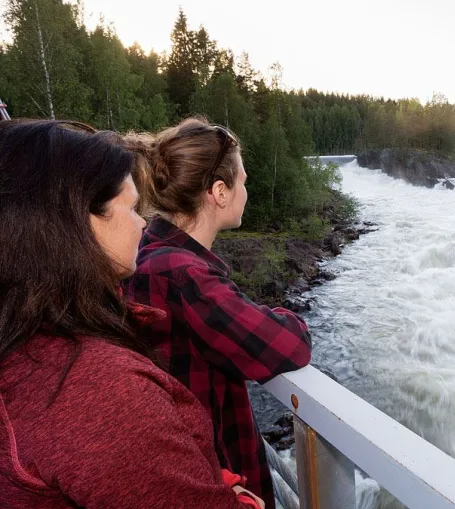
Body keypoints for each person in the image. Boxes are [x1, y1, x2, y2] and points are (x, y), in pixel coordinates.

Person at [0, 119, 264, 509]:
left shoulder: (26, 348)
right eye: (130, 207)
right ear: (80, 225)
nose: (143, 222)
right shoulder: (99, 392)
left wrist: (187, 476)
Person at [125, 117, 312, 509]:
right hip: (216, 479)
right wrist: (279, 314)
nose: (247, 189)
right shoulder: (185, 276)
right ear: (220, 192)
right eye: (242, 181)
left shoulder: (145, 250)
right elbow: (290, 344)